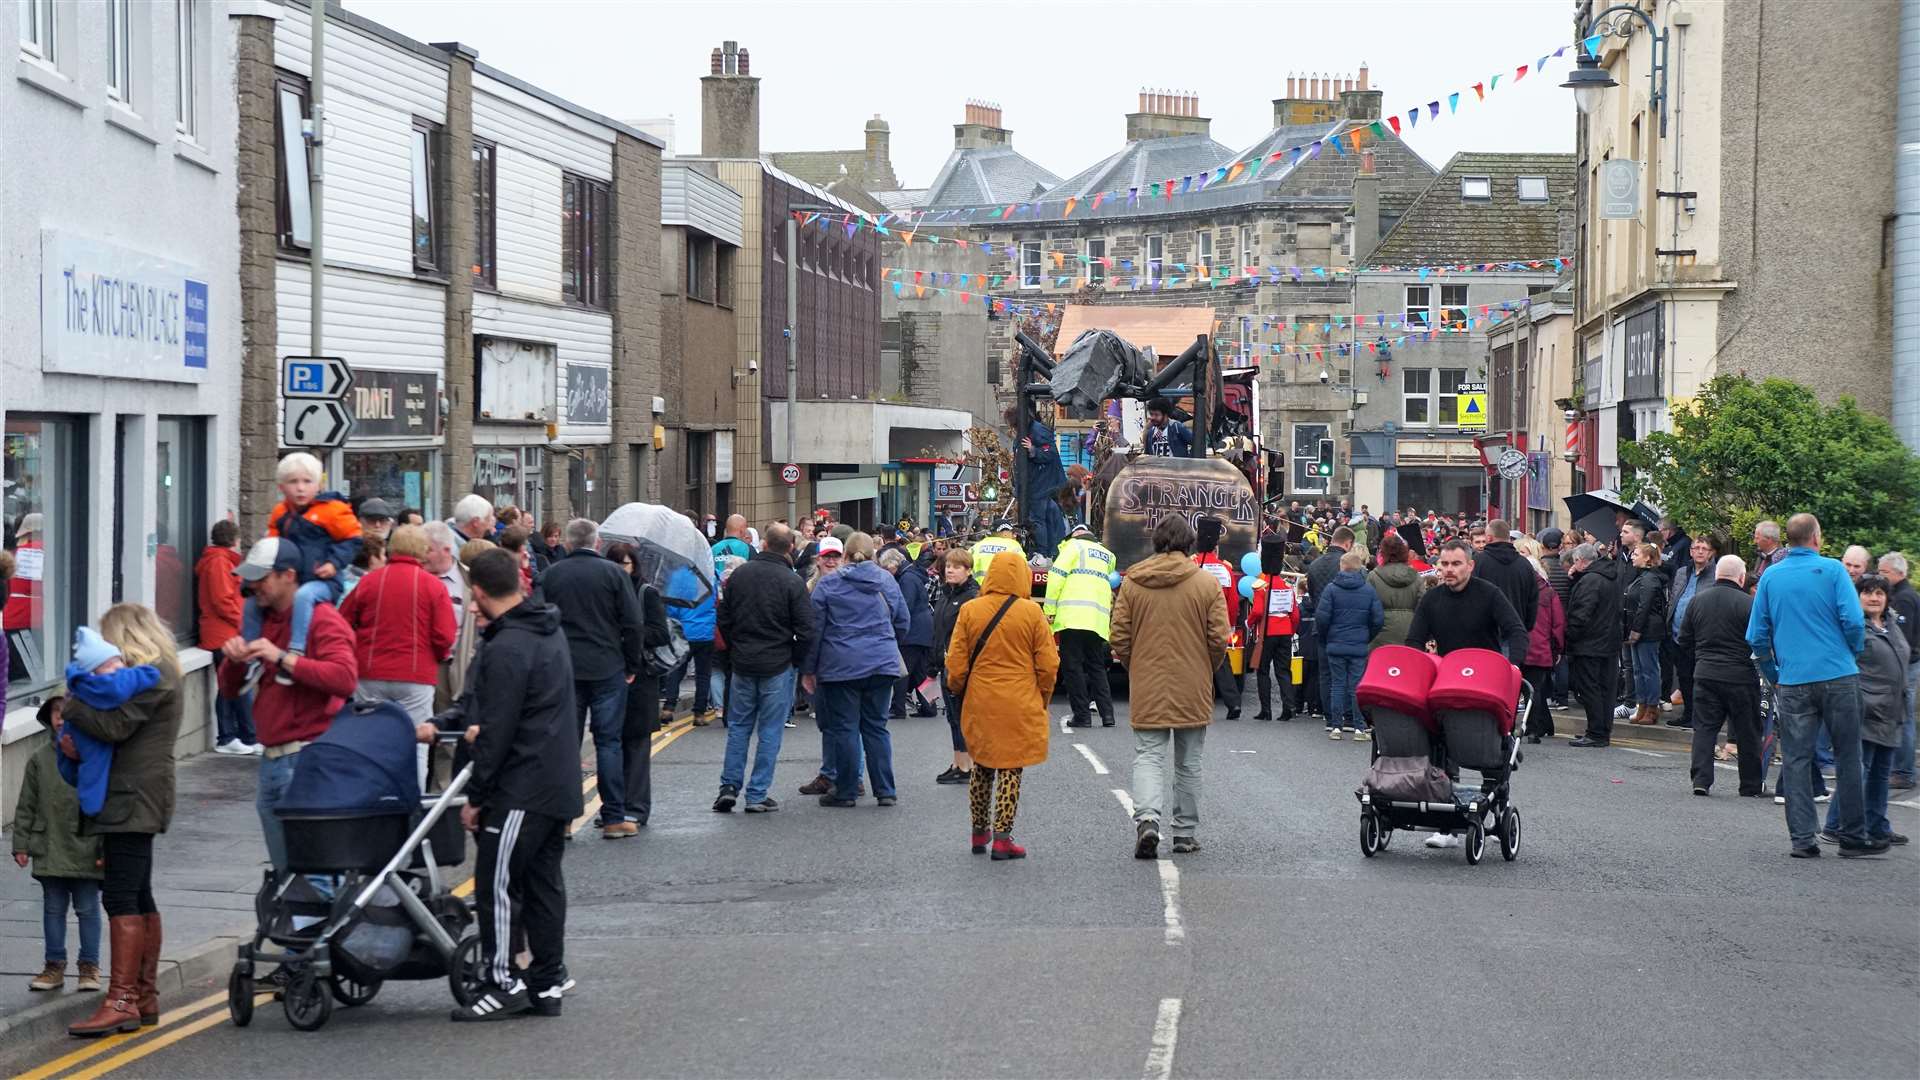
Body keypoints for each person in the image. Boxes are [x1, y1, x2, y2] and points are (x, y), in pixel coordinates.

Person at [431, 549, 583, 1021]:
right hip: (556, 783)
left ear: (479, 593)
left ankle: (503, 983)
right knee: (543, 886)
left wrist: (478, 798)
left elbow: (496, 730)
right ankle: (546, 983)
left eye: (473, 601)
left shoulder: (506, 646)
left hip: (521, 787)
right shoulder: (547, 629)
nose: (472, 610)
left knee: (496, 887)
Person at [61, 605, 182, 1037]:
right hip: (136, 795)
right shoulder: (156, 672)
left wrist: (69, 709)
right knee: (138, 893)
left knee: (119, 895)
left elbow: (115, 728)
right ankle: (143, 997)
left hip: (134, 797)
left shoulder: (157, 674)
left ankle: (122, 1000)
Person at [217, 539, 360, 876]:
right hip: (273, 760)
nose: (252, 587)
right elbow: (229, 689)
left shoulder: (322, 619)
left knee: (316, 875)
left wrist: (283, 659)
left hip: (307, 758)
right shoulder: (261, 619)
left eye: (261, 578)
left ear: (289, 576)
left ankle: (319, 927)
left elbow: (344, 678)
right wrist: (235, 661)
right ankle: (302, 923)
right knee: (288, 877)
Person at [1747, 513, 1881, 857]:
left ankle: (1803, 839)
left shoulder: (1771, 576)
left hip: (1793, 679)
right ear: (1816, 537)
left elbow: (1756, 635)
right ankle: (1852, 837)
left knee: (1795, 759)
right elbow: (1853, 620)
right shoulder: (1834, 571)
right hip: (1838, 674)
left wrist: (1773, 671)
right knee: (1848, 756)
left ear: (1787, 540)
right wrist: (1851, 651)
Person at [1111, 515, 1229, 859]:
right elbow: (1219, 638)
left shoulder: (1133, 582)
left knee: (1148, 756)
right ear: (1189, 543)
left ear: (1157, 542)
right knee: (1189, 762)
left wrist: (1138, 666)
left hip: (1148, 680)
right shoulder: (1206, 584)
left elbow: (1119, 635)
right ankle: (1184, 833)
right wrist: (1207, 668)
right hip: (1193, 681)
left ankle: (1148, 819)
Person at [945, 549, 1059, 861]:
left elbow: (956, 662)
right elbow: (1048, 665)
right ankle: (1003, 838)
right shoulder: (1031, 612)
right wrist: (1042, 697)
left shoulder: (970, 610)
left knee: (981, 764)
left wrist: (958, 688)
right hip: (1019, 698)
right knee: (1011, 766)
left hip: (980, 696)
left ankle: (978, 831)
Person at [539, 519, 646, 839]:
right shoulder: (614, 574)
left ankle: (563, 821)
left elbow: (539, 622)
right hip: (607, 668)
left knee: (565, 745)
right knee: (608, 743)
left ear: (568, 543)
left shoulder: (549, 575)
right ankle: (613, 817)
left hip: (564, 670)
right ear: (597, 543)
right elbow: (633, 624)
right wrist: (631, 665)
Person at [337, 525, 458, 784]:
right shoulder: (432, 585)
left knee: (370, 740)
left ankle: (369, 796)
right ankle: (410, 804)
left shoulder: (369, 581)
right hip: (415, 675)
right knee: (416, 742)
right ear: (422, 550)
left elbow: (342, 622)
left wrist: (358, 648)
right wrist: (434, 656)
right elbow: (445, 636)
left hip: (370, 672)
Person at [712, 524, 813, 814]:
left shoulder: (740, 574)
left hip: (743, 662)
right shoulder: (792, 582)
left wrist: (734, 648)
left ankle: (729, 787)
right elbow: (806, 630)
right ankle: (756, 793)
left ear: (765, 544)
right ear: (791, 548)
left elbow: (724, 617)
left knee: (739, 727)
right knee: (770, 730)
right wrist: (795, 659)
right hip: (778, 664)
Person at [803, 533, 910, 807]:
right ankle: (886, 791)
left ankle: (847, 791)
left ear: (846, 556)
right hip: (882, 662)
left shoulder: (828, 585)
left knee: (846, 728)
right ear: (873, 555)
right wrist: (887, 643)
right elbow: (903, 620)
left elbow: (816, 632)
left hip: (842, 665)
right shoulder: (886, 580)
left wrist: (809, 669)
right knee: (876, 728)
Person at [235, 454, 361, 685]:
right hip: (291, 579)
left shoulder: (332, 509)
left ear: (319, 484)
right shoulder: (281, 512)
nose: (300, 488)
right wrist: (250, 584)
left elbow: (352, 540)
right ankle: (249, 654)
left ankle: (296, 650)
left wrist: (333, 564)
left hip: (322, 580)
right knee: (252, 603)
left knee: (304, 596)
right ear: (282, 487)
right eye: (293, 482)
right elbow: (268, 549)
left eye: (307, 481)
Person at [13, 696, 105, 994]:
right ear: (49, 717)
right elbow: (26, 804)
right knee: (53, 908)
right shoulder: (39, 759)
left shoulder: (97, 755)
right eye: (56, 712)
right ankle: (54, 965)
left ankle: (89, 967)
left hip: (88, 844)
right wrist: (21, 843)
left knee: (88, 908)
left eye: (69, 713)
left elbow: (107, 804)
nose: (62, 718)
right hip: (50, 843)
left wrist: (106, 848)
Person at [1837, 574, 1910, 848]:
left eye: (1879, 593)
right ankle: (1836, 826)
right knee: (1859, 772)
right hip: (1866, 708)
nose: (1874, 598)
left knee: (1880, 773)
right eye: (1867, 593)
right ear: (1857, 598)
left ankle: (1877, 825)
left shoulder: (1890, 624)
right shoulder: (1855, 626)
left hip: (1892, 711)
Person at [1681, 556, 1764, 796]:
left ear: (1717, 574)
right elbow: (1759, 640)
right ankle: (1750, 784)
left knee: (1705, 728)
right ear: (1741, 577)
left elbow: (1684, 639)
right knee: (1748, 731)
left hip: (1706, 673)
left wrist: (1701, 657)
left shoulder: (1697, 601)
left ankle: (1701, 780)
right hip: (1740, 676)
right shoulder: (1749, 604)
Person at [602, 543, 671, 826]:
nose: (621, 570)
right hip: (611, 675)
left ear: (635, 566)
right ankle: (614, 807)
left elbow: (661, 634)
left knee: (637, 746)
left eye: (626, 565)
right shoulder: (604, 594)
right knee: (611, 745)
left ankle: (637, 807)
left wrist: (632, 629)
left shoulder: (646, 593)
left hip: (641, 678)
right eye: (616, 565)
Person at [1404, 540, 1529, 661]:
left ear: (1470, 566)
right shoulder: (1431, 598)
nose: (1449, 569)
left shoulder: (1490, 593)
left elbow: (1516, 630)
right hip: (1448, 673)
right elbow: (1414, 639)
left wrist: (1514, 664)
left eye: (1456, 564)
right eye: (1445, 563)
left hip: (1485, 672)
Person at [1047, 523, 1118, 729]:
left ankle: (1082, 715)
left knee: (1072, 667)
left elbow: (1055, 577)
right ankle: (1108, 715)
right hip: (1097, 619)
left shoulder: (1072, 547)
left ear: (1076, 535)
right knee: (1097, 667)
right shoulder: (1107, 554)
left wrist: (1049, 611)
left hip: (1073, 616)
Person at [196, 520, 258, 756]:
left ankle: (243, 736)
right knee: (232, 685)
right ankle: (229, 737)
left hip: (226, 632)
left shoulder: (220, 561)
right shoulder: (219, 563)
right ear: (235, 540)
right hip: (222, 634)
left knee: (235, 684)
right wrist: (243, 622)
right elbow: (222, 600)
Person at [1316, 549, 1383, 741]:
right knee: (1356, 687)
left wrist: (1327, 636)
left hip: (1335, 643)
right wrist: (1366, 636)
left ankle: (1336, 726)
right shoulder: (1368, 590)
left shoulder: (1331, 589)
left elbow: (1322, 618)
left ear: (1341, 567)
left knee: (1337, 685)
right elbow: (1377, 619)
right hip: (1359, 644)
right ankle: (1359, 728)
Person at [1564, 543, 1625, 748]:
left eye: (1574, 562)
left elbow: (1581, 613)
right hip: (1608, 641)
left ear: (1581, 560)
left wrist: (1569, 636)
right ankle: (1602, 731)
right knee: (1605, 690)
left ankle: (1596, 732)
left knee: (1590, 689)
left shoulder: (1590, 580)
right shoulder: (1610, 576)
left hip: (1589, 643)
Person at [929, 547, 981, 783]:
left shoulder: (971, 597)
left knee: (961, 717)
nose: (950, 570)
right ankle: (958, 762)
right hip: (945, 662)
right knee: (952, 717)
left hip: (960, 665)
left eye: (956, 566)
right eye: (948, 566)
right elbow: (940, 631)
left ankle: (967, 766)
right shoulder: (947, 593)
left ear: (968, 571)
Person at [1192, 518, 1244, 721]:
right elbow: (1231, 601)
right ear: (1216, 546)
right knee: (1222, 663)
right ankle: (1234, 703)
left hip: (1195, 619)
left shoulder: (1192, 564)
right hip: (1217, 620)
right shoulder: (1225, 569)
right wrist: (1230, 624)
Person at [1666, 535, 1717, 731]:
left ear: (1711, 552)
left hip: (1701, 635)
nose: (1700, 551)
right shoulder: (1682, 572)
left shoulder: (1715, 574)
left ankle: (1700, 716)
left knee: (1700, 678)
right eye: (1697, 548)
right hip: (1678, 633)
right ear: (1691, 551)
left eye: (1705, 548)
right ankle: (1688, 714)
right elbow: (1675, 597)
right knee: (1684, 677)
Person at [1303, 526, 1354, 721]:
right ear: (1347, 544)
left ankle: (1329, 715)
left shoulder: (1314, 565)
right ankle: (1346, 715)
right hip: (1343, 625)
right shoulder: (1346, 565)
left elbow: (1313, 593)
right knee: (1345, 672)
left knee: (1325, 673)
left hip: (1320, 624)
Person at [1877, 552, 1919, 791]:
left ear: (1899, 573)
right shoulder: (1903, 595)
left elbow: (1904, 639)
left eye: (1885, 573)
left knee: (1903, 718)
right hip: (1908, 664)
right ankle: (1900, 768)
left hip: (1906, 666)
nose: (1881, 577)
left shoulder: (1903, 599)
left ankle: (1904, 771)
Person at [879, 547, 936, 721]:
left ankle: (898, 708)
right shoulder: (912, 574)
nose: (887, 573)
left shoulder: (907, 579)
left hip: (914, 631)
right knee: (920, 671)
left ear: (894, 564)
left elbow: (905, 606)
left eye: (887, 569)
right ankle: (930, 706)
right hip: (924, 628)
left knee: (901, 670)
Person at [1008, 406, 1069, 557]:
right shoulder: (1030, 432)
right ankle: (1048, 552)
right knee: (1044, 518)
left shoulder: (1037, 432)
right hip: (1039, 484)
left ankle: (1043, 553)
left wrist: (1033, 450)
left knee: (1038, 519)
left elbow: (1051, 453)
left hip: (1040, 485)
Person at [1249, 540, 1299, 722]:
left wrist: (1249, 623)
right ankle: (1289, 706)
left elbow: (1257, 611)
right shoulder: (1287, 586)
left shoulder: (1261, 586)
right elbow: (1294, 615)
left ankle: (1266, 711)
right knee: (1283, 670)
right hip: (1285, 632)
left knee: (1262, 670)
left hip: (1267, 632)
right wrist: (1290, 631)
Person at [1520, 548, 1565, 744]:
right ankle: (1535, 729)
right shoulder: (1548, 592)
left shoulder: (1517, 592)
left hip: (1520, 646)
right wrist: (1557, 648)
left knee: (1522, 689)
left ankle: (1536, 727)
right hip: (1541, 647)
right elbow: (1558, 624)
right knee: (1536, 689)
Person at [1622, 542, 1670, 727]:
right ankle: (1641, 706)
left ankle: (1651, 708)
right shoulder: (1642, 577)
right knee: (1638, 670)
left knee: (1648, 670)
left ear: (1648, 558)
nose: (1632, 556)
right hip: (1640, 628)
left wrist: (1636, 630)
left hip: (1648, 630)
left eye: (1636, 554)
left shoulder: (1650, 579)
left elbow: (1645, 606)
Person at [1473, 520, 1538, 633]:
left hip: (1485, 633)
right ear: (1508, 537)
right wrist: (1526, 627)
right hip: (1516, 631)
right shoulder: (1525, 564)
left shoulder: (1477, 562)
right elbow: (1532, 600)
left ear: (1489, 538)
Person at [1366, 531, 1427, 651]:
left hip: (1379, 636)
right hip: (1409, 634)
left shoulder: (1373, 576)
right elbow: (1423, 609)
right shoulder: (1416, 577)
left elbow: (1366, 609)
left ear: (1382, 553)